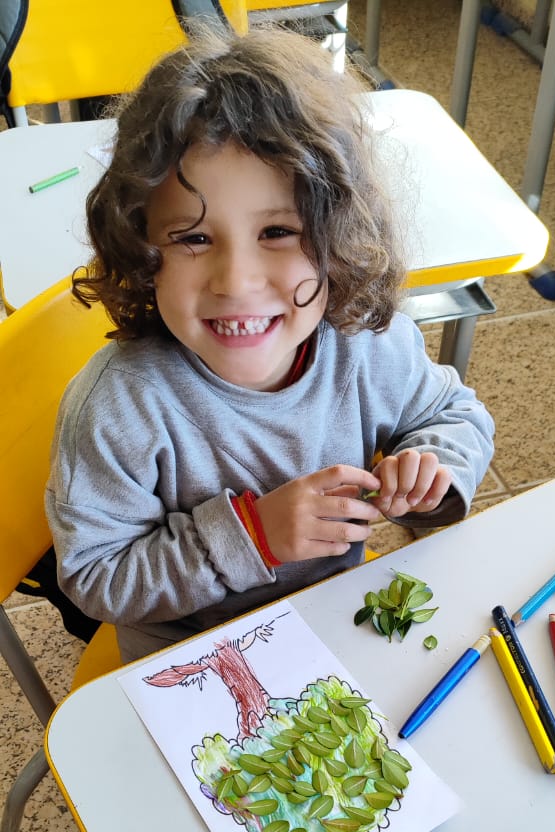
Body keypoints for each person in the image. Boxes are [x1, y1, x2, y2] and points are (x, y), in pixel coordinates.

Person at [45, 25, 495, 664]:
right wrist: (252, 537)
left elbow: (454, 414)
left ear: (338, 236)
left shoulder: (368, 342)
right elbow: (97, 576)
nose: (236, 282)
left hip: (331, 625)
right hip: (186, 657)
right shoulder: (118, 408)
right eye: (193, 238)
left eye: (278, 231)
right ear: (140, 247)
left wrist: (431, 468)